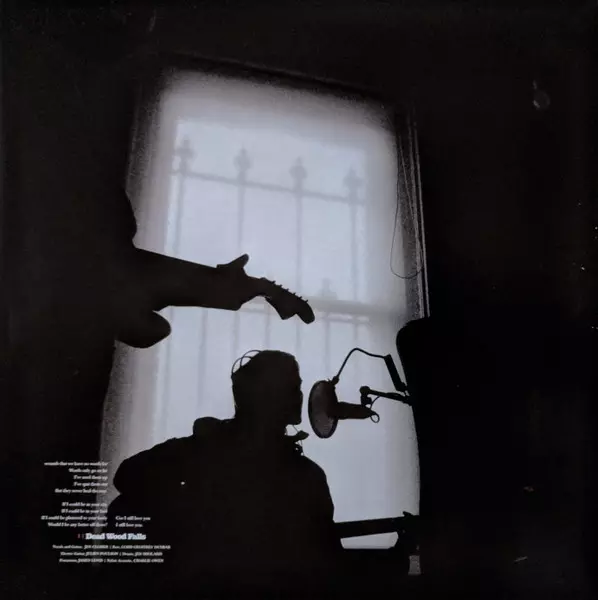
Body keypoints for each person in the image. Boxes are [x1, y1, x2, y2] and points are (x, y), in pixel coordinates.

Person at [108, 350, 342, 597]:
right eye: (292, 388)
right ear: (265, 396)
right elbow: (127, 476)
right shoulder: (200, 452)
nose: (300, 397)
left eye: (297, 387)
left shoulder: (305, 475)